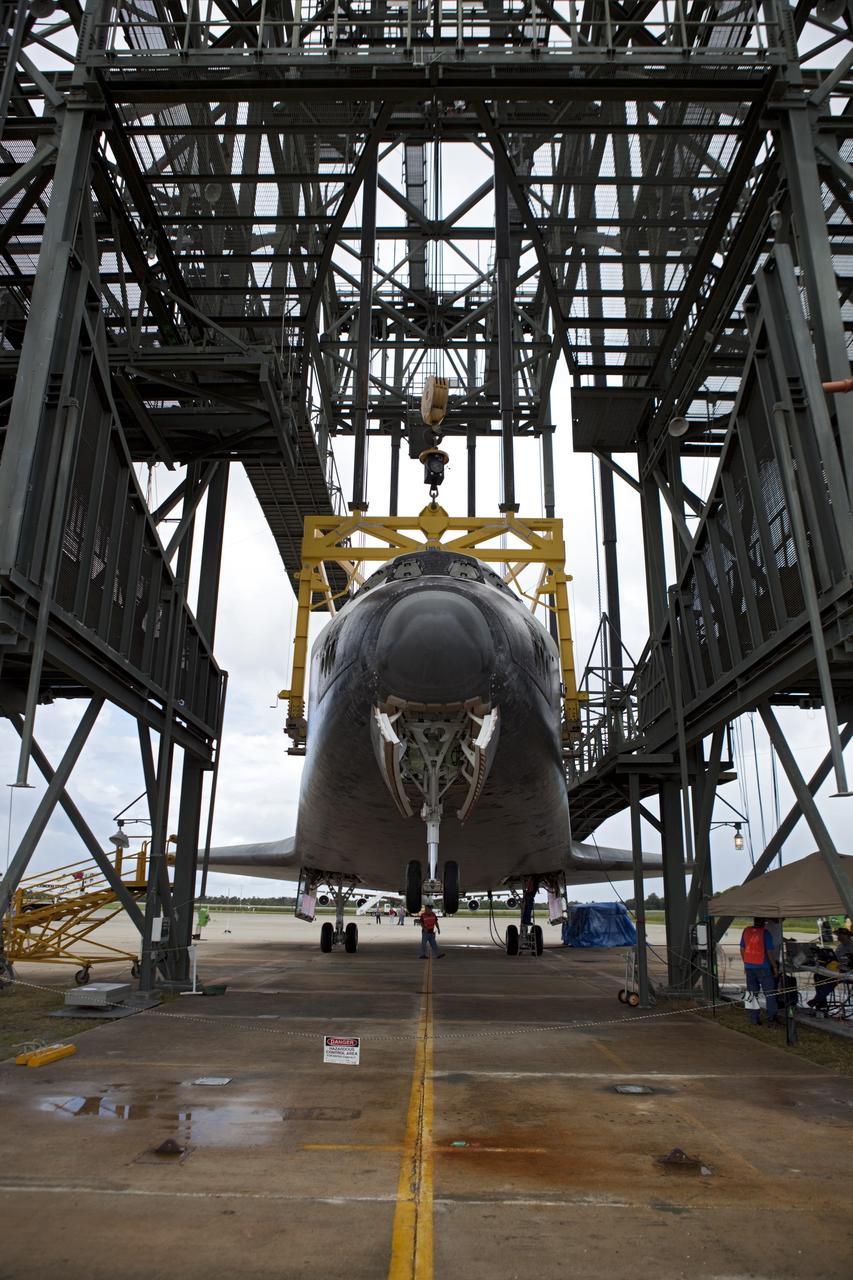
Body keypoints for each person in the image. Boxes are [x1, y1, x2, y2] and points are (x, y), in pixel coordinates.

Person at [739, 916, 779, 1026]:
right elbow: (770, 952)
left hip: (749, 967)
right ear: (764, 922)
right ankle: (771, 1018)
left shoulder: (746, 931)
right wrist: (774, 966)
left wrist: (745, 963)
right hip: (763, 966)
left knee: (751, 993)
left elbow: (742, 949)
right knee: (769, 993)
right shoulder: (765, 934)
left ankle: (753, 1018)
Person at [808, 926, 853, 1012]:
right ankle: (821, 1002)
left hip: (846, 972)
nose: (838, 937)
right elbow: (834, 958)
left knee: (831, 980)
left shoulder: (851, 946)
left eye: (840, 935)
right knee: (818, 975)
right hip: (835, 968)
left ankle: (818, 999)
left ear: (847, 936)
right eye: (838, 935)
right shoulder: (840, 946)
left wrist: (844, 964)